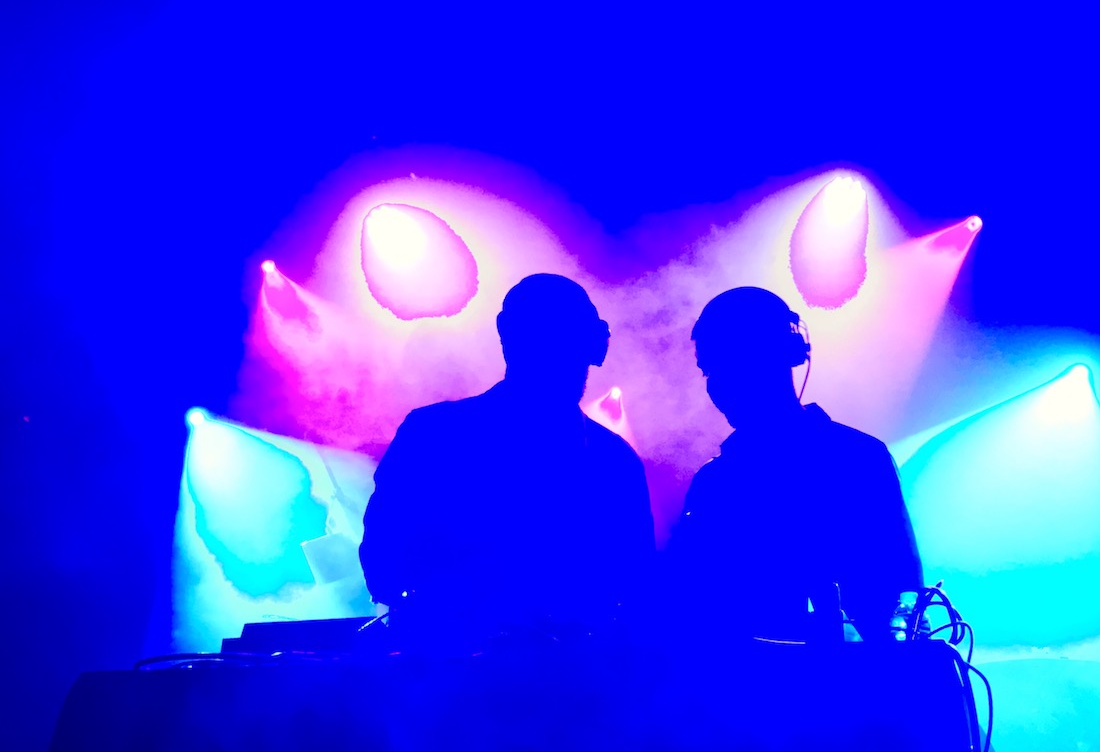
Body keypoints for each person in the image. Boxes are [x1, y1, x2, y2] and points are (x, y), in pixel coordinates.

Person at [359, 274, 654, 652]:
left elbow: (635, 580)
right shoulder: (613, 460)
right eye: (547, 338)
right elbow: (384, 552)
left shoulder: (434, 432)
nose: (556, 356)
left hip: (558, 675)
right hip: (453, 667)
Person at [667, 286, 922, 644]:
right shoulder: (713, 481)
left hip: (847, 675)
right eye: (710, 372)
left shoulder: (859, 460)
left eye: (732, 366)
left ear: (782, 355)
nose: (718, 386)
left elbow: (901, 591)